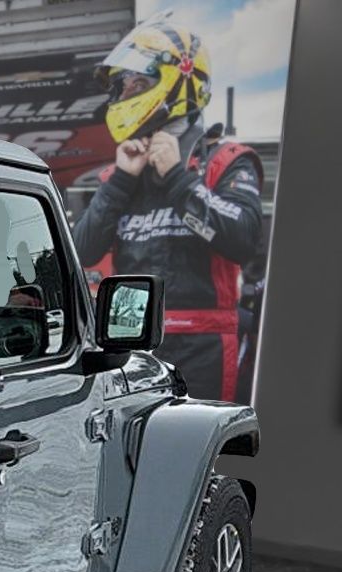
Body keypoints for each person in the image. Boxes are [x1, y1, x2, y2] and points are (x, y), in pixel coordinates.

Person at [72, 12, 264, 401]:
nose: (125, 96)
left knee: (199, 439)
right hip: (133, 346)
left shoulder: (226, 161)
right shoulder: (120, 175)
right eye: (122, 87)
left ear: (179, 84)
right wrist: (121, 181)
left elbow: (243, 240)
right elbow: (82, 253)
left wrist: (178, 178)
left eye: (138, 85)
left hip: (205, 346)